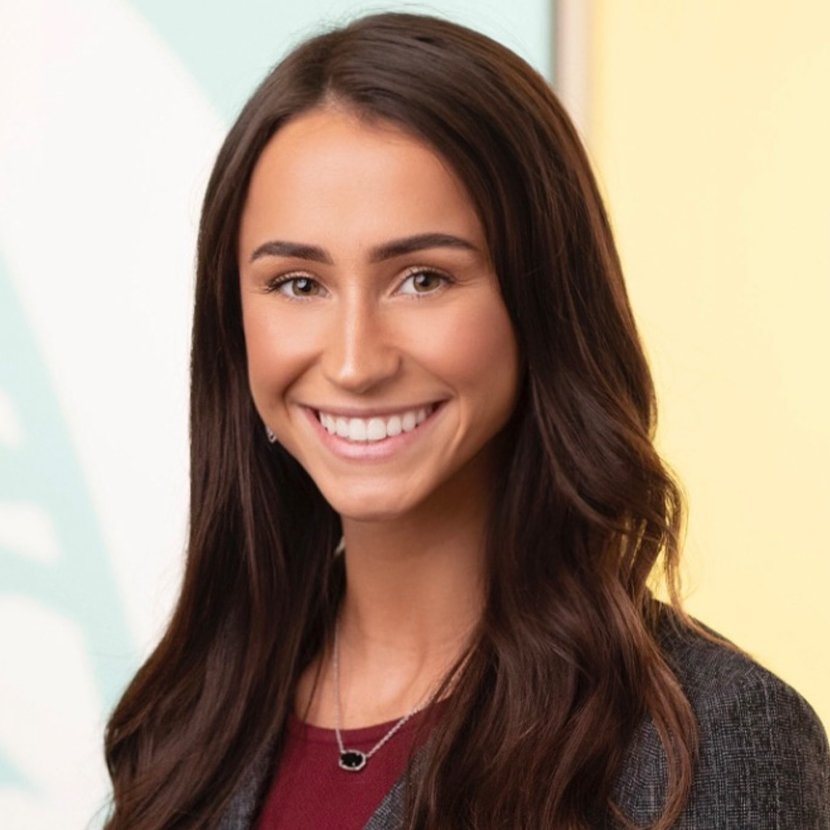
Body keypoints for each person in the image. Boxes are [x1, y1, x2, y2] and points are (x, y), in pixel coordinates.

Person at [103, 12, 830, 829]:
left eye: (422, 278)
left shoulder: (710, 738)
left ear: (543, 298)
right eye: (299, 284)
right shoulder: (185, 721)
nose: (353, 361)